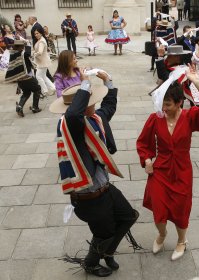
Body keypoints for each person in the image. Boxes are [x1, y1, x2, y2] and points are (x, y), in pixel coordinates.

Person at [50, 69, 140, 277]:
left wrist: (108, 81)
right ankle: (91, 263)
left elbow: (109, 106)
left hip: (104, 188)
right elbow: (73, 114)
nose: (94, 105)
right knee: (104, 232)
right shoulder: (71, 125)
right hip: (87, 196)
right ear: (81, 105)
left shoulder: (96, 119)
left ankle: (107, 251)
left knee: (129, 216)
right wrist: (84, 85)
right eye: (89, 102)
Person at [136, 65, 199, 261]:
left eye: (168, 104)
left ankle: (182, 240)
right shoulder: (155, 118)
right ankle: (162, 233)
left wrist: (197, 82)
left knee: (181, 209)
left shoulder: (190, 117)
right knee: (158, 208)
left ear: (180, 102)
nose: (164, 108)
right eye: (162, 104)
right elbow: (143, 142)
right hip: (160, 170)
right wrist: (147, 159)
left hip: (182, 171)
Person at [5, 40, 42, 117]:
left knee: (26, 92)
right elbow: (29, 53)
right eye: (23, 46)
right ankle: (35, 107)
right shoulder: (23, 53)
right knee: (37, 89)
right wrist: (27, 44)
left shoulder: (13, 54)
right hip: (27, 77)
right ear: (21, 46)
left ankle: (20, 107)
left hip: (20, 79)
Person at [34, 29, 56, 97]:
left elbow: (40, 52)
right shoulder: (41, 40)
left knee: (38, 76)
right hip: (43, 61)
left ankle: (44, 91)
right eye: (35, 34)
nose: (36, 35)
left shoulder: (41, 41)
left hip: (42, 62)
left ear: (41, 33)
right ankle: (52, 88)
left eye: (37, 33)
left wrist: (33, 54)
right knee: (43, 76)